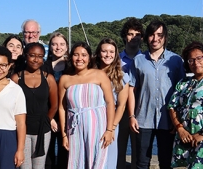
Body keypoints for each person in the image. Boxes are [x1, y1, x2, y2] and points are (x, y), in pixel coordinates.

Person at [128, 20, 185, 169]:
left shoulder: (176, 60)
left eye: (159, 35)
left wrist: (178, 120)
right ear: (147, 37)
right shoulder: (138, 61)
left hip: (168, 120)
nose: (155, 38)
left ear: (165, 37)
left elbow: (182, 91)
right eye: (152, 35)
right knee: (142, 162)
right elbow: (131, 89)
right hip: (143, 119)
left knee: (166, 162)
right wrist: (131, 116)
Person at [58, 42, 115, 169]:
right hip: (74, 129)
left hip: (98, 129)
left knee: (98, 162)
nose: (80, 59)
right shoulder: (65, 79)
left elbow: (110, 103)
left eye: (84, 55)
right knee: (77, 162)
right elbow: (62, 108)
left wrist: (109, 130)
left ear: (89, 57)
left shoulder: (99, 75)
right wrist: (63, 135)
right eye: (76, 55)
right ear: (71, 57)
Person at [11, 42, 58, 169]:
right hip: (22, 130)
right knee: (23, 165)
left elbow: (54, 105)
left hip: (42, 130)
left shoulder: (49, 78)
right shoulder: (16, 78)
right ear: (26, 56)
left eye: (40, 56)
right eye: (32, 55)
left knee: (39, 166)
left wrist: (46, 122)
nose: (36, 59)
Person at [95, 38, 129, 169]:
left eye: (111, 52)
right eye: (104, 51)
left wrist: (112, 128)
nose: (108, 55)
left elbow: (121, 105)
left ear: (115, 55)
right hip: (92, 121)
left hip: (110, 123)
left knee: (108, 161)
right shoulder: (90, 73)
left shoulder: (122, 76)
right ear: (99, 53)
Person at [168, 41, 203, 168]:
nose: (195, 62)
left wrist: (201, 135)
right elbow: (172, 106)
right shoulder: (183, 83)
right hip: (183, 139)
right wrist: (180, 128)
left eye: (199, 58)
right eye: (191, 60)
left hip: (200, 140)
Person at [118, 17, 144, 169]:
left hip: (139, 111)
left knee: (138, 153)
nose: (134, 37)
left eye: (138, 34)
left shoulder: (146, 60)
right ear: (125, 36)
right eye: (130, 33)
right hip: (119, 111)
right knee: (118, 151)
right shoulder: (116, 60)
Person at [44, 32, 69, 169]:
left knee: (65, 152)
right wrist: (51, 118)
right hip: (48, 116)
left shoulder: (72, 67)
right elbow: (41, 96)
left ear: (66, 47)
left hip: (68, 116)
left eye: (61, 44)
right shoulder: (43, 67)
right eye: (54, 44)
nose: (58, 47)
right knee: (47, 154)